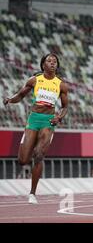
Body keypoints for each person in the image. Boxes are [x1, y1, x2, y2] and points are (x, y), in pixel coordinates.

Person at [3, 53, 69, 204]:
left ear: (57, 65)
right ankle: (30, 146)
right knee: (23, 160)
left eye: (55, 61)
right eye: (49, 61)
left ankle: (32, 193)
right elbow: (20, 95)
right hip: (33, 120)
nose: (52, 63)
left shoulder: (61, 84)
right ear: (43, 65)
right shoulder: (34, 80)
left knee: (39, 155)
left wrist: (59, 117)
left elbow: (65, 107)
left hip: (48, 121)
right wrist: (10, 100)